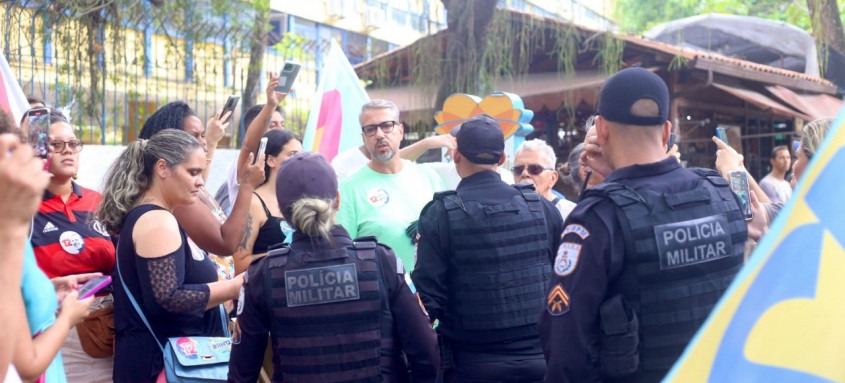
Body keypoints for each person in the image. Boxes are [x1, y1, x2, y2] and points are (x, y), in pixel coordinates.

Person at [539, 67, 748, 382]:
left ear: (602, 129)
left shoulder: (599, 216)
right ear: (666, 132)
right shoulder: (719, 193)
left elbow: (565, 347)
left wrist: (605, 191)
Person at [228, 152, 439, 382]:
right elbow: (427, 354)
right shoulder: (381, 261)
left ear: (283, 210)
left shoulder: (263, 275)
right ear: (337, 199)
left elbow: (242, 373)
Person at [413, 115, 563, 382]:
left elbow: (427, 302)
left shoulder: (440, 215)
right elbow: (563, 283)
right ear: (503, 158)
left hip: (470, 366)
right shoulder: (542, 208)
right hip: (543, 362)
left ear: (456, 154)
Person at [97, 129, 243, 383]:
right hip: (162, 366)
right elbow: (168, 300)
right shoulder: (157, 221)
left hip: (168, 363)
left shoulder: (158, 216)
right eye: (193, 172)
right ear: (162, 168)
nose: (200, 181)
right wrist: (235, 287)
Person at [29, 110, 116, 381]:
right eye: (57, 145)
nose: (67, 151)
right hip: (56, 324)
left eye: (73, 144)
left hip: (108, 326)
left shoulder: (98, 201)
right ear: (39, 151)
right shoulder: (26, 208)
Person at [138, 101, 265, 284]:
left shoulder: (186, 188)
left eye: (203, 135)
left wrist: (212, 142)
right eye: (195, 136)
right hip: (202, 302)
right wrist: (246, 186)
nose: (202, 142)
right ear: (171, 141)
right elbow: (226, 243)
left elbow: (198, 180)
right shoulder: (175, 199)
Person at [337, 99, 445, 273]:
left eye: (387, 125)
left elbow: (450, 233)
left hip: (432, 294)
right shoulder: (348, 190)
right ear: (364, 138)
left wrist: (431, 226)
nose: (379, 134)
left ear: (400, 131)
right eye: (371, 129)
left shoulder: (429, 177)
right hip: (382, 295)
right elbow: (343, 256)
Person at [232, 129, 302, 276]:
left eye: (302, 155)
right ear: (271, 160)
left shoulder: (302, 198)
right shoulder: (254, 203)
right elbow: (239, 264)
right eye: (293, 155)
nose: (300, 160)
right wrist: (286, 256)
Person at [221, 102, 286, 211]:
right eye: (272, 125)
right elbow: (248, 145)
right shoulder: (247, 161)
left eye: (282, 124)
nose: (281, 130)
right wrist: (272, 103)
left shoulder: (278, 162)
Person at [514, 138, 576, 219]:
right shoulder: (506, 212)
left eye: (535, 169)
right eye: (518, 169)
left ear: (552, 178)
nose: (524, 174)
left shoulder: (570, 214)